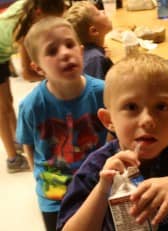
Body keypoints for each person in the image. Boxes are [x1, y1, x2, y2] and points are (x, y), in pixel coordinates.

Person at [57, 53, 168, 231]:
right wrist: (103, 189)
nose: (147, 120)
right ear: (108, 120)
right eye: (131, 107)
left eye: (161, 107)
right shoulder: (98, 168)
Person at [16, 16, 108, 231]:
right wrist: (39, 179)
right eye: (52, 51)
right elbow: (29, 145)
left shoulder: (103, 92)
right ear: (38, 68)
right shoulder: (31, 105)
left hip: (97, 186)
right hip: (54, 195)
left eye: (69, 45)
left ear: (81, 51)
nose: (65, 53)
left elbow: (114, 133)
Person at [0, 0, 66, 173]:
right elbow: (28, 74)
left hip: (2, 51)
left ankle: (17, 140)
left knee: (8, 101)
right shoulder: (25, 29)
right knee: (1, 107)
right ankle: (12, 159)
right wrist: (58, 77)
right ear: (38, 13)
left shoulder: (29, 5)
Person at [64, 1, 113, 80]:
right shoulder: (95, 59)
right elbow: (96, 91)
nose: (103, 11)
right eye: (98, 13)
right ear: (94, 31)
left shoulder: (93, 54)